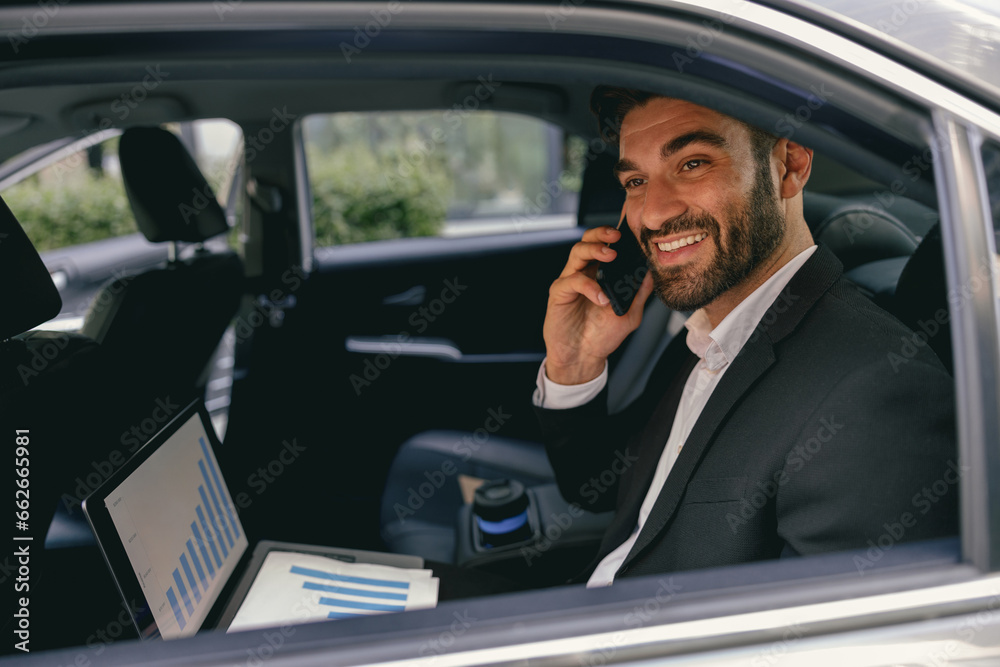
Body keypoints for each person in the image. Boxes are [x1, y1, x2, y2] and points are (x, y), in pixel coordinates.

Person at [534, 87, 957, 587]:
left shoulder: (880, 393)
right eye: (636, 180)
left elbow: (829, 641)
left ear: (789, 166)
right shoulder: (706, 334)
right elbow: (604, 489)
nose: (651, 213)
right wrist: (573, 362)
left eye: (693, 164)